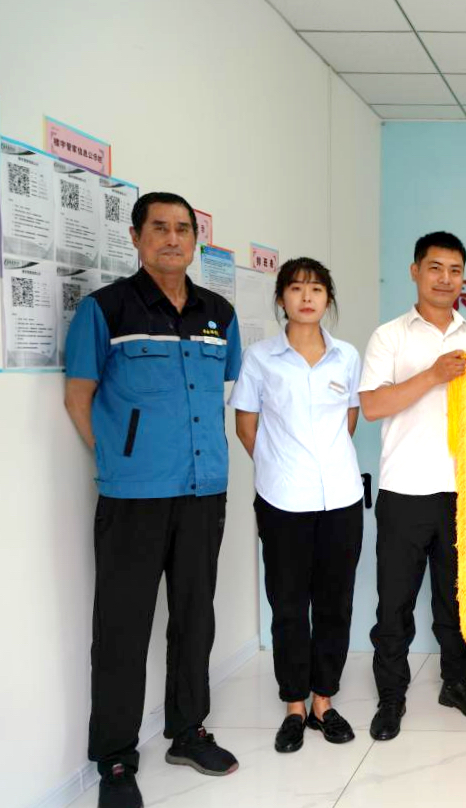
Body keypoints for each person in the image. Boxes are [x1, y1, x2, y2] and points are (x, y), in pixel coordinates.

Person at [64, 192, 241, 808]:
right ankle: (116, 759)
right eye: (159, 228)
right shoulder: (106, 309)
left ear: (195, 240)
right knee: (122, 625)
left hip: (203, 490)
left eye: (183, 229)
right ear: (136, 237)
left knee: (195, 618)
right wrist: (119, 458)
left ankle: (188, 732)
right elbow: (78, 397)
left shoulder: (219, 312)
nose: (172, 238)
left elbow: (222, 389)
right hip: (134, 497)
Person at [359, 231, 466, 740]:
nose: (445, 279)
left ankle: (455, 683)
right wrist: (433, 375)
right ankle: (391, 696)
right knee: (394, 602)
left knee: (457, 600)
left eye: (455, 270)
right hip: (404, 490)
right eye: (435, 268)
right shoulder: (389, 336)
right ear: (415, 271)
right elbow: (372, 406)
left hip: (463, 493)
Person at [229, 258, 364, 754]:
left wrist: (323, 464)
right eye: (296, 288)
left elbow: (349, 420)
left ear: (328, 299)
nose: (307, 297)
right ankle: (294, 704)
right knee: (288, 604)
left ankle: (323, 700)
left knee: (335, 602)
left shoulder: (346, 356)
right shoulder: (261, 358)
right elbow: (247, 427)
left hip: (341, 497)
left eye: (316, 289)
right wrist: (280, 466)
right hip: (282, 499)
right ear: (281, 298)